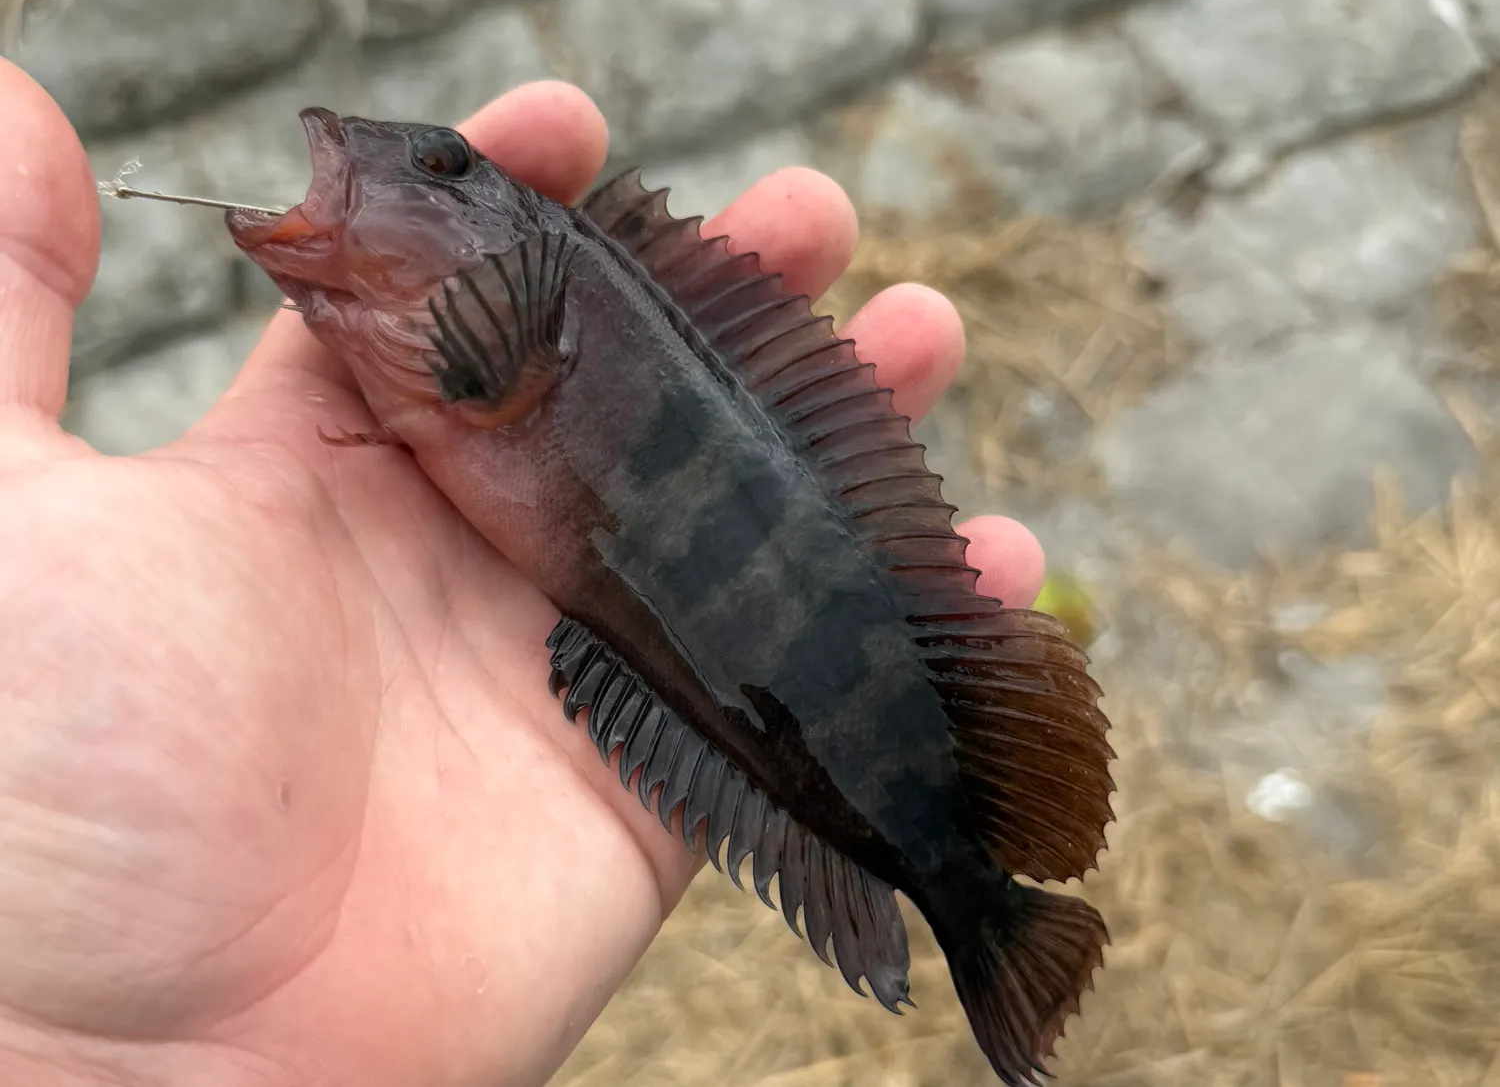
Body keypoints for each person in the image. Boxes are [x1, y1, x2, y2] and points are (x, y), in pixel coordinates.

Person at [0, 57, 1047, 1086]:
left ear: (515, 273)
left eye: (442, 166)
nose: (366, 150)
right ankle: (970, 904)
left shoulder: (524, 327)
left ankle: (972, 901)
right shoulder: (481, 337)